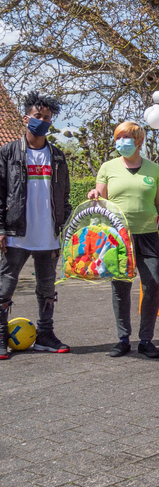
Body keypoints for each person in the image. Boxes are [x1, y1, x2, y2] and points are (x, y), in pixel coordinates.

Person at [87, 121, 159, 359]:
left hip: (148, 236)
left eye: (126, 137)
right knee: (121, 286)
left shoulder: (154, 170)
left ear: (139, 141)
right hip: (118, 237)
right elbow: (99, 199)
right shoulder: (107, 167)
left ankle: (146, 340)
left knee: (152, 284)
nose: (120, 142)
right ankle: (123, 339)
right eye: (118, 138)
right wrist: (94, 195)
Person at [0, 91, 71, 359]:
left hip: (48, 236)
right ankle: (1, 335)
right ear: (25, 118)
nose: (41, 121)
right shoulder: (7, 153)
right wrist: (1, 229)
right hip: (16, 233)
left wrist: (60, 224)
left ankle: (45, 334)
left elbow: (63, 194)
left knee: (47, 288)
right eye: (37, 116)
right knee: (5, 287)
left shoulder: (57, 156)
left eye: (47, 118)